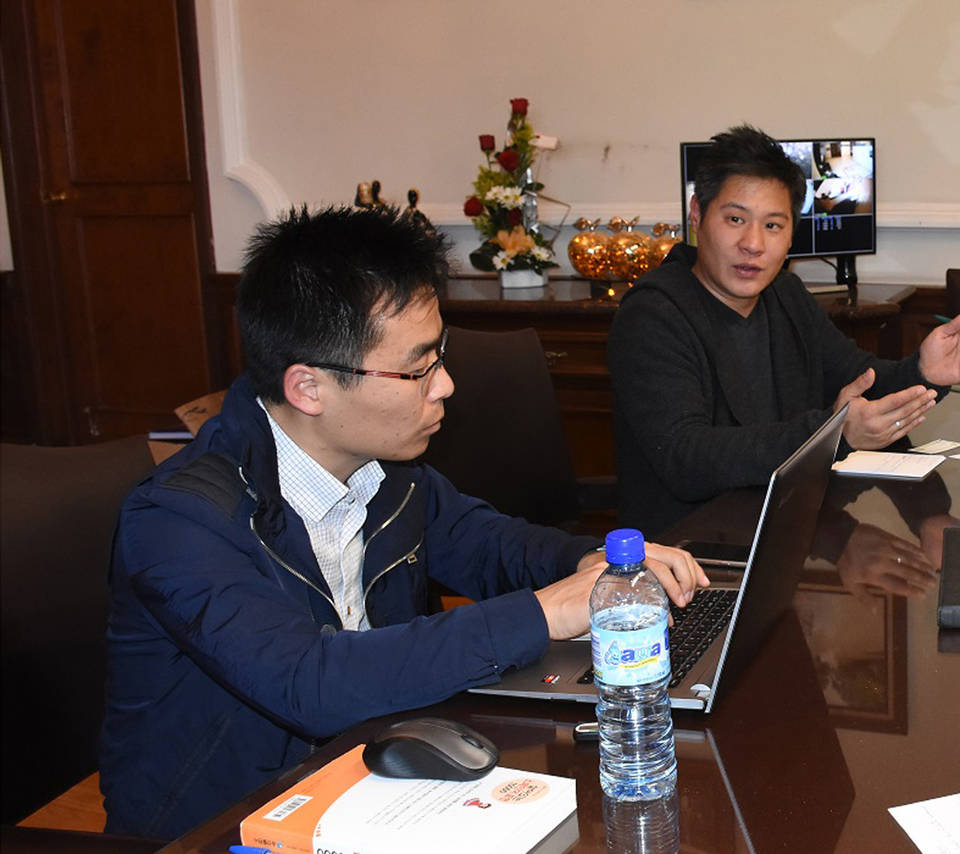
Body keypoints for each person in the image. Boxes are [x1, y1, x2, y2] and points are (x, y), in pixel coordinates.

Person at [99, 206, 707, 838]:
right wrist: (546, 611)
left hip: (370, 787)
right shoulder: (179, 521)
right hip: (225, 827)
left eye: (440, 356)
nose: (445, 386)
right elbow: (308, 682)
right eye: (418, 369)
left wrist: (591, 566)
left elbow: (488, 544)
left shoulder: (387, 471)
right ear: (308, 388)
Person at [608, 125, 960, 534]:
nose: (753, 243)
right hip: (689, 546)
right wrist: (832, 433)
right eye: (735, 219)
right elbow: (686, 458)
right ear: (697, 214)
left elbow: (859, 381)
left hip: (783, 528)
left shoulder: (785, 294)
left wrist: (924, 372)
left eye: (773, 226)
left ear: (791, 233)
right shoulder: (653, 314)